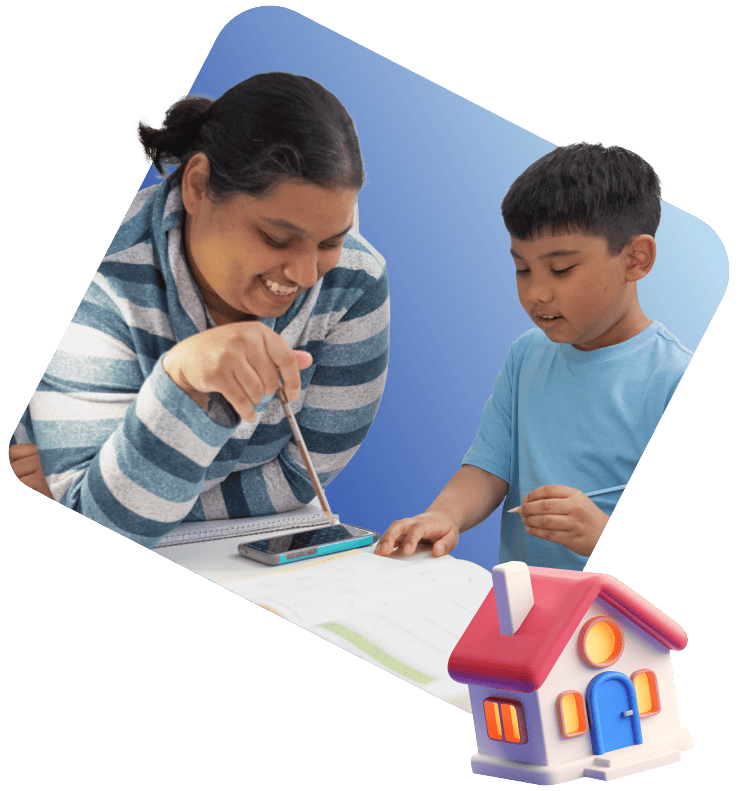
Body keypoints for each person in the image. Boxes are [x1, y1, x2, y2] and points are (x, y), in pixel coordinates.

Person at [10, 72, 389, 548]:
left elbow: (299, 483)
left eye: (332, 240)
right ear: (198, 185)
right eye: (276, 238)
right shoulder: (108, 276)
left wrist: (127, 489)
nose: (308, 275)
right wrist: (181, 381)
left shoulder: (355, 282)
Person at [375, 140, 691, 571]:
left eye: (560, 269)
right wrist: (443, 515)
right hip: (519, 609)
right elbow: (488, 468)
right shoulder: (527, 355)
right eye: (522, 268)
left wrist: (599, 532)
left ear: (636, 259)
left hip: (615, 628)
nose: (535, 292)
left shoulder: (671, 378)